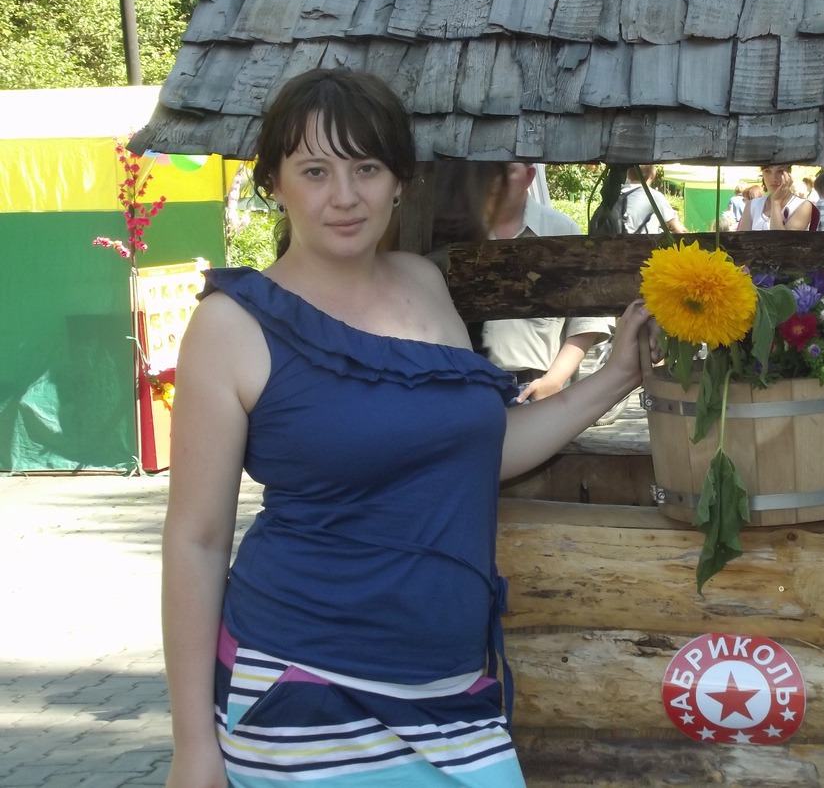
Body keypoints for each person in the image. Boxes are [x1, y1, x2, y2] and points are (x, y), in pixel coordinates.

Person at [160, 68, 651, 788]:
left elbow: (480, 453)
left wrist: (617, 376)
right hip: (302, 694)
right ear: (274, 184)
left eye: (367, 167)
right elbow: (195, 540)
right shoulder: (231, 325)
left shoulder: (424, 281)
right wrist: (192, 746)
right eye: (315, 170)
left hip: (455, 697)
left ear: (399, 181)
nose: (345, 195)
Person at [482, 162, 613, 401]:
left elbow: (587, 322)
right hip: (467, 387)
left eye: (507, 170)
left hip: (530, 390)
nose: (494, 179)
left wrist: (553, 382)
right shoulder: (456, 229)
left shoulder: (561, 230)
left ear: (529, 176)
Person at [737, 163, 814, 231]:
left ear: (789, 175)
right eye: (767, 171)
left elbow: (780, 240)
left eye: (780, 171)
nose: (773, 178)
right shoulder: (752, 205)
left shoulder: (803, 205)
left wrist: (776, 202)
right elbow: (742, 240)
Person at [618, 164, 686, 234]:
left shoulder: (615, 195)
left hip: (614, 239)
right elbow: (676, 230)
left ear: (628, 174)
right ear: (653, 174)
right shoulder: (654, 196)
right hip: (642, 241)